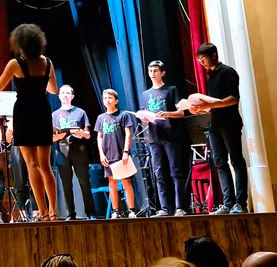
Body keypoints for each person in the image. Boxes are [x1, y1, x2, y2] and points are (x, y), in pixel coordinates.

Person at [0, 23, 59, 221]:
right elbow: (53, 89)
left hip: (24, 113)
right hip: (42, 111)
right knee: (46, 166)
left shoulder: (15, 64)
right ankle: (54, 212)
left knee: (32, 164)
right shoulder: (47, 63)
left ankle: (43, 212)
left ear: (20, 44)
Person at [192, 43, 248, 214]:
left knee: (236, 160)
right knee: (219, 163)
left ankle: (240, 203)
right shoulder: (211, 76)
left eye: (203, 58)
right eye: (199, 59)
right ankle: (228, 202)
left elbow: (233, 99)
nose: (201, 62)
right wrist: (201, 109)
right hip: (214, 125)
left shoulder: (228, 72)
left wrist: (214, 103)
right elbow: (213, 104)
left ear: (213, 55)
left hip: (230, 123)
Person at [138, 60, 191, 217]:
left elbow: (181, 113)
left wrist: (167, 114)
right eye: (151, 71)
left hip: (171, 136)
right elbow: (143, 116)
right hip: (154, 137)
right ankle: (165, 208)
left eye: (156, 71)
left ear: (162, 73)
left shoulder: (171, 90)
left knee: (176, 172)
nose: (153, 74)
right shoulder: (145, 94)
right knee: (159, 173)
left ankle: (180, 206)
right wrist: (144, 118)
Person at [51, 85, 96, 220]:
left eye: (68, 93)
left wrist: (79, 132)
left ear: (72, 96)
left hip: (78, 148)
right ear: (59, 96)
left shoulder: (80, 112)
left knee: (84, 181)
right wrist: (60, 135)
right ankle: (71, 213)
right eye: (62, 93)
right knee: (66, 184)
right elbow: (51, 137)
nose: (65, 95)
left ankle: (90, 213)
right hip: (61, 149)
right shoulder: (54, 115)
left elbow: (88, 134)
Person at [95, 89, 137, 219]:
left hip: (120, 153)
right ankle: (116, 211)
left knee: (126, 182)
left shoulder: (123, 115)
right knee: (112, 183)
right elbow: (99, 137)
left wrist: (126, 152)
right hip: (108, 154)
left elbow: (128, 134)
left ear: (116, 101)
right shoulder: (101, 118)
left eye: (110, 98)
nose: (107, 100)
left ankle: (131, 210)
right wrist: (101, 154)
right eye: (105, 98)